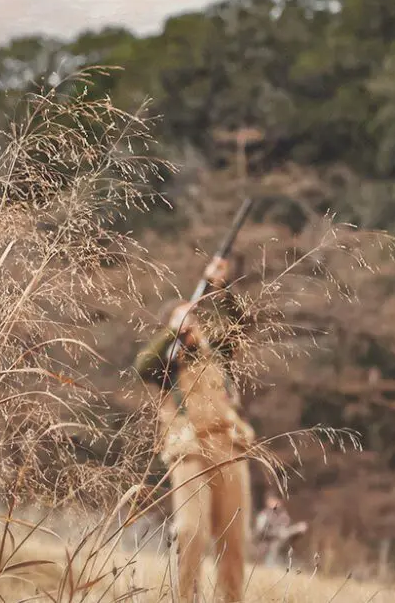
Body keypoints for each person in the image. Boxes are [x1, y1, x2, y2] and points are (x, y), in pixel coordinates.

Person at [133, 255, 256, 602]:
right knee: (191, 531)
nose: (193, 329)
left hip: (229, 446)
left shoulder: (216, 352)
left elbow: (239, 325)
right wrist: (173, 328)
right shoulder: (165, 365)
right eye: (184, 325)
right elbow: (142, 364)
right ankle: (186, 598)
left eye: (193, 321)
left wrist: (221, 286)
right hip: (189, 450)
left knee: (234, 540)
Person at [253, 495, 308, 568]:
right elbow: (259, 532)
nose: (276, 503)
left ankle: (288, 563)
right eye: (274, 500)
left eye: (278, 500)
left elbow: (286, 531)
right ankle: (271, 565)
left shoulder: (283, 515)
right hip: (266, 546)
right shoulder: (263, 516)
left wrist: (297, 529)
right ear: (268, 502)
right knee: (275, 543)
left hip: (282, 545)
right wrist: (276, 533)